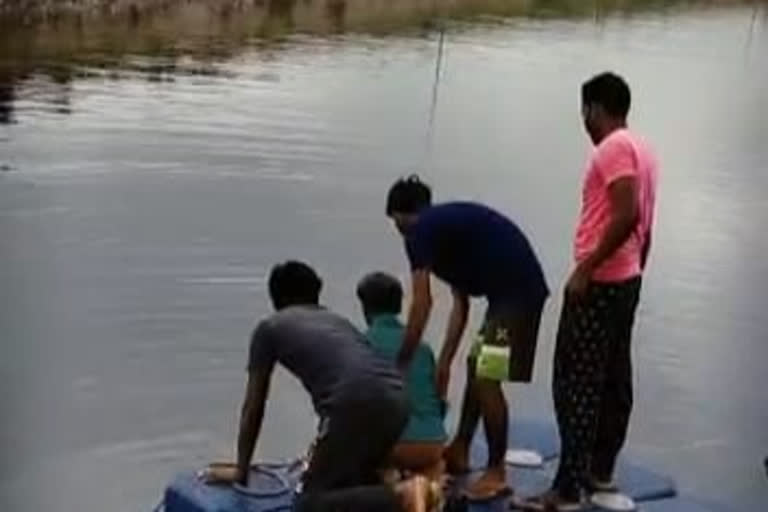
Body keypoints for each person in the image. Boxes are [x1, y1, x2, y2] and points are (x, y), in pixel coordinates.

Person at [522, 72, 659, 511]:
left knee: (575, 380)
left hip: (602, 280)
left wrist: (587, 268)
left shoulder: (613, 148)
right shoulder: (645, 149)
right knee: (614, 375)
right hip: (628, 278)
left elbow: (627, 213)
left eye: (584, 110)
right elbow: (646, 221)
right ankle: (600, 471)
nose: (583, 119)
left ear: (594, 108)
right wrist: (636, 267)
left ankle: (566, 489)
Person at [208, 261, 440, 512]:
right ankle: (414, 491)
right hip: (398, 400)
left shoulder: (270, 327)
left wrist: (241, 471)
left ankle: (404, 494)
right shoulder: (336, 321)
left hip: (356, 402)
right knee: (353, 479)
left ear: (276, 299)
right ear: (315, 294)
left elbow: (253, 407)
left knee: (310, 503)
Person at [385, 178, 549, 500]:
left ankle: (496, 471)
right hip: (507, 296)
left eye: (396, 221)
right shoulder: (444, 233)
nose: (397, 231)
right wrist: (445, 362)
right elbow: (459, 305)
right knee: (476, 365)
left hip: (516, 297)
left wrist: (402, 360)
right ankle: (460, 448)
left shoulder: (421, 232)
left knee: (486, 376)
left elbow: (422, 303)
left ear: (404, 214)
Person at [357, 272, 447, 480]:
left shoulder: (360, 344)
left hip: (390, 446)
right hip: (432, 444)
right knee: (431, 466)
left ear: (365, 308)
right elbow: (437, 398)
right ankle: (429, 477)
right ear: (398, 307)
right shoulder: (423, 348)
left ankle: (389, 481)